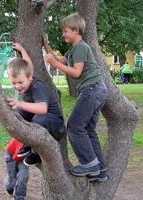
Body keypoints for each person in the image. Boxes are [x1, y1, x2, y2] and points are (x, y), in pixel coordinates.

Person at [44, 12, 109, 182]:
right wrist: (46, 46)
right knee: (88, 130)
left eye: (66, 31)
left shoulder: (81, 47)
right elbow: (58, 60)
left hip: (91, 89)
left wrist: (55, 63)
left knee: (74, 126)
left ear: (76, 30)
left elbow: (76, 72)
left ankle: (89, 164)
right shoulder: (73, 49)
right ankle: (100, 170)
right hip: (97, 90)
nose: (63, 34)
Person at [7, 43, 64, 167]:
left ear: (30, 78)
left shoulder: (37, 87)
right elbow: (29, 65)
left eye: (20, 82)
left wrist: (19, 103)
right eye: (14, 82)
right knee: (19, 115)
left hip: (54, 125)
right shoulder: (28, 76)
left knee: (38, 117)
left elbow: (42, 109)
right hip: (38, 119)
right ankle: (27, 143)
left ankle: (36, 152)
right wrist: (22, 50)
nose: (17, 86)